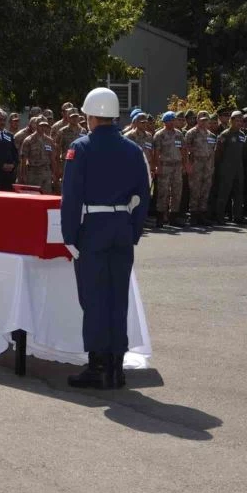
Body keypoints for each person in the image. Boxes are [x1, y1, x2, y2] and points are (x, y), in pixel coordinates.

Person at [61, 87, 150, 390]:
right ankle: (116, 367)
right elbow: (144, 195)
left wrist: (69, 236)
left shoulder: (81, 147)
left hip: (94, 228)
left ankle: (99, 367)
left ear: (90, 115)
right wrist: (133, 230)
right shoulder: (133, 150)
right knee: (117, 299)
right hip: (121, 227)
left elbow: (70, 197)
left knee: (95, 299)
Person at [152, 111, 187, 227]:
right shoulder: (159, 135)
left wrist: (184, 164)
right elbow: (156, 152)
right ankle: (160, 218)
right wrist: (157, 166)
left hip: (177, 166)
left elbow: (183, 150)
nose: (173, 122)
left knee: (177, 191)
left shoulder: (179, 134)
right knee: (163, 192)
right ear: (165, 122)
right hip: (165, 166)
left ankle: (173, 217)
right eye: (170, 120)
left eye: (174, 120)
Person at [184, 111, 216, 226]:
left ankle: (202, 215)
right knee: (195, 190)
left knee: (205, 190)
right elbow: (185, 150)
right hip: (195, 165)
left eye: (206, 120)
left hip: (207, 166)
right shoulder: (191, 133)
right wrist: (187, 165)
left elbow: (212, 152)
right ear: (197, 120)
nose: (204, 122)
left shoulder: (211, 135)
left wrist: (212, 167)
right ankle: (193, 216)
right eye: (202, 120)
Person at [213, 110, 246, 224]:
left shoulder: (242, 135)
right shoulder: (225, 134)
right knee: (224, 193)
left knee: (238, 193)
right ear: (231, 121)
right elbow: (218, 153)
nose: (239, 123)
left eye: (241, 121)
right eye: (237, 120)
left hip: (239, 169)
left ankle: (237, 216)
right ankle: (220, 217)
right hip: (226, 169)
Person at [19, 118, 57, 193]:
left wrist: (54, 173)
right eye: (41, 126)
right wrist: (23, 175)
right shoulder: (28, 140)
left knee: (47, 196)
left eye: (45, 126)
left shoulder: (49, 141)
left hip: (46, 173)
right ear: (36, 126)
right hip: (33, 173)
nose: (43, 128)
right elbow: (23, 159)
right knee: (34, 196)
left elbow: (52, 158)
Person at [56, 108, 86, 177]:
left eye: (76, 116)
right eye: (72, 117)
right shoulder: (62, 131)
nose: (75, 119)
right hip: (67, 163)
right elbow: (57, 150)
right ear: (68, 118)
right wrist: (58, 167)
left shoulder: (83, 131)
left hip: (80, 163)